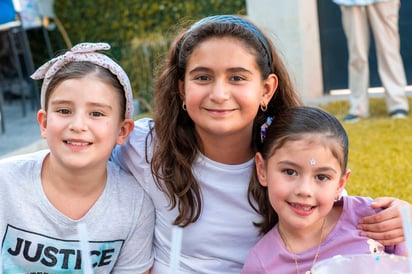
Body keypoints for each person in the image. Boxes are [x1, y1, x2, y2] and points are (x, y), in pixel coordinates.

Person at [111, 15, 409, 273]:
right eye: (202, 77)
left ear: (266, 89)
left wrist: (402, 214)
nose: (219, 93)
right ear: (182, 89)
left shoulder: (293, 153)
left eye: (237, 78)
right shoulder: (145, 146)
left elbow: (330, 203)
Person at [0, 42, 154, 273]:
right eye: (64, 111)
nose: (78, 125)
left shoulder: (135, 205)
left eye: (96, 113)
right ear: (44, 122)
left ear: (122, 131)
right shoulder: (5, 182)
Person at [241, 106, 407, 274]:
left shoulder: (377, 221)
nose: (305, 190)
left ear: (340, 184)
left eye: (322, 177)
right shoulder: (262, 265)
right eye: (290, 172)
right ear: (262, 170)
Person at [332, 0, 410, 122]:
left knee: (389, 51)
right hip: (350, 2)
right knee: (357, 55)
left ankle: (397, 103)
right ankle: (358, 107)